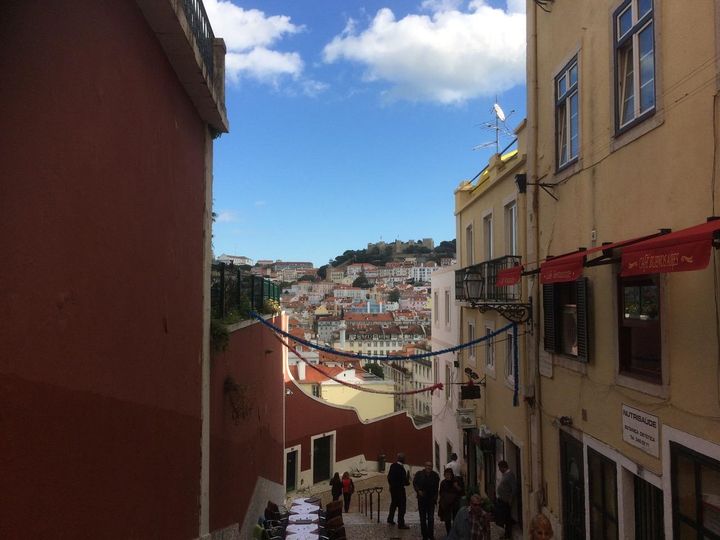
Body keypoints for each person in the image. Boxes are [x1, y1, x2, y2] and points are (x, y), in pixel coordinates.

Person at [413, 461, 440, 540]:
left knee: (431, 518)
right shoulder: (419, 474)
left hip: (431, 500)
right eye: (427, 465)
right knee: (422, 518)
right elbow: (415, 483)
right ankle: (424, 535)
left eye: (430, 466)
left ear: (432, 467)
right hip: (422, 500)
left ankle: (431, 535)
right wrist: (418, 491)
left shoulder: (435, 476)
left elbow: (436, 488)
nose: (429, 467)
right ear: (425, 466)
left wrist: (435, 498)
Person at [386, 452, 410, 529]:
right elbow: (404, 481)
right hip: (400, 490)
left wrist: (391, 485)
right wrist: (408, 482)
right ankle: (401, 524)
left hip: (393, 489)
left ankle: (390, 519)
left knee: (393, 504)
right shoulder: (401, 469)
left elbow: (389, 477)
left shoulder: (392, 466)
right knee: (402, 506)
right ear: (403, 459)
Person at [438, 468, 463, 535]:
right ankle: (449, 533)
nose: (448, 476)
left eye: (449, 474)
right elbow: (441, 493)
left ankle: (455, 533)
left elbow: (461, 491)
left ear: (452, 475)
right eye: (446, 474)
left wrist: (456, 486)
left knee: (455, 519)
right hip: (446, 504)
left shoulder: (456, 481)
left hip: (455, 503)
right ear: (444, 475)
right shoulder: (443, 483)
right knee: (447, 520)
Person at [495, 460, 517, 539]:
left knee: (506, 518)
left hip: (505, 501)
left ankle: (508, 535)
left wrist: (510, 499)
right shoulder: (505, 475)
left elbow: (514, 488)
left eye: (499, 468)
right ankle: (504, 534)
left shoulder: (510, 475)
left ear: (503, 467)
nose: (499, 470)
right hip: (501, 500)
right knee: (502, 517)